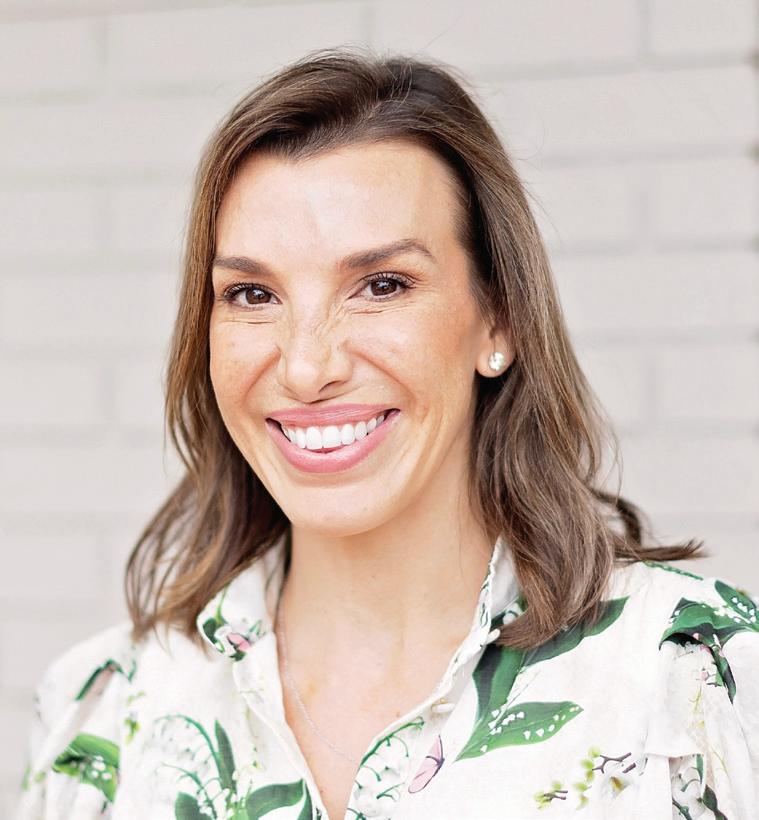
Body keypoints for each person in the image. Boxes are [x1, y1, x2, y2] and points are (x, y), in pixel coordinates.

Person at [13, 46, 758, 820]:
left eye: (381, 285)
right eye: (252, 294)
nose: (306, 367)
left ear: (497, 319)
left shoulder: (694, 678)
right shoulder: (103, 713)